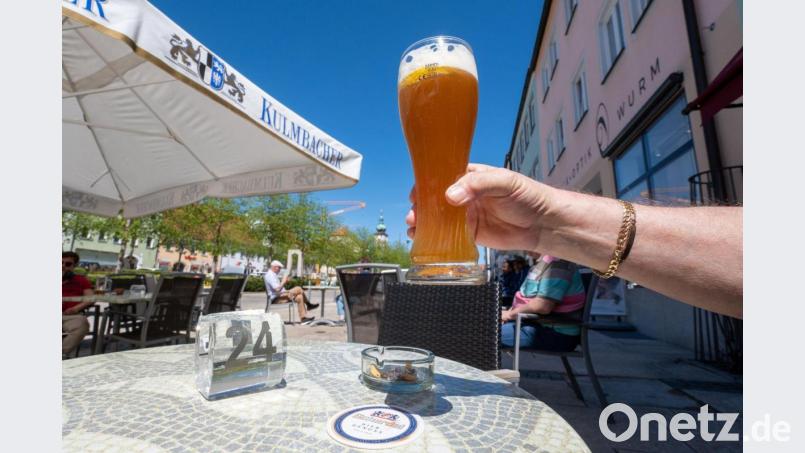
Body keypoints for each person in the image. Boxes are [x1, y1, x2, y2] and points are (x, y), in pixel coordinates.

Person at [406, 163, 742, 319]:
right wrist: (545, 225)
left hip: (549, 331)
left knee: (475, 331)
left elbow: (542, 307)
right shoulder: (543, 260)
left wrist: (507, 314)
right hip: (534, 321)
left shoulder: (555, 263)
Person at [500, 253, 587, 351]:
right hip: (537, 325)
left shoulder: (558, 263)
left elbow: (543, 306)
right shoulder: (542, 262)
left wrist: (509, 315)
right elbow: (526, 298)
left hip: (556, 334)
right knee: (485, 328)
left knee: (484, 334)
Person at [62, 251, 94, 358]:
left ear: (74, 265)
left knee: (82, 324)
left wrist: (76, 308)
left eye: (68, 264)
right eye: (61, 263)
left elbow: (90, 298)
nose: (63, 266)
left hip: (70, 316)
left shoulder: (81, 280)